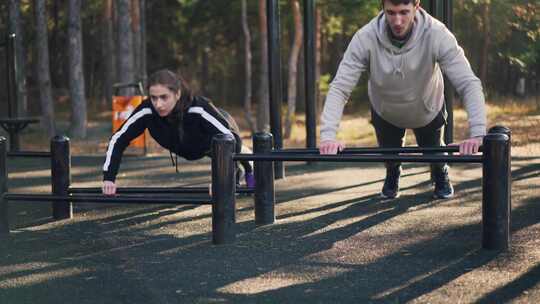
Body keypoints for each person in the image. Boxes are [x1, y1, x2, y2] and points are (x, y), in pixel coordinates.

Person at [319, 0, 487, 199]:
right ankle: (393, 172)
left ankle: (440, 172)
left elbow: (468, 83)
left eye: (404, 12)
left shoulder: (436, 33)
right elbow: (340, 87)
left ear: (417, 6)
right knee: (390, 156)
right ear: (382, 7)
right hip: (386, 109)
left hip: (427, 107)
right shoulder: (365, 37)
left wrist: (477, 133)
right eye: (391, 12)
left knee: (434, 152)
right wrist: (328, 136)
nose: (397, 20)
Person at [102, 69, 255, 195]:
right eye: (154, 98)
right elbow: (118, 138)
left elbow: (230, 139)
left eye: (164, 97)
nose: (158, 104)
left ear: (177, 94)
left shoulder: (199, 108)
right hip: (187, 146)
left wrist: (220, 180)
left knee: (234, 153)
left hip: (216, 133)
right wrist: (109, 178)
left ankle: (247, 168)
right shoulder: (147, 110)